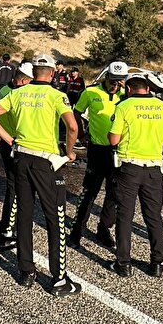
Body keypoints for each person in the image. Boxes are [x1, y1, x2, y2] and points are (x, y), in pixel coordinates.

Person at [0, 54, 81, 296]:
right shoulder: (57, 96)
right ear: (52, 74)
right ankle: (59, 279)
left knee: (24, 215)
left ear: (34, 72)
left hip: (21, 158)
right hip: (45, 162)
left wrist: (10, 140)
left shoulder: (17, 93)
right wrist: (69, 152)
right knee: (54, 217)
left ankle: (26, 271)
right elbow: (73, 126)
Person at [106, 72, 163, 278]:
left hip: (129, 166)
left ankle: (124, 263)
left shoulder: (124, 107)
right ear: (148, 88)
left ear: (129, 89)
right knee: (153, 215)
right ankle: (157, 262)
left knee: (125, 215)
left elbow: (113, 139)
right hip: (154, 167)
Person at [68, 61, 128, 248]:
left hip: (118, 151)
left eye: (119, 81)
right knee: (89, 192)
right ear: (106, 76)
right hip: (97, 149)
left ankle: (104, 229)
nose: (115, 85)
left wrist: (126, 90)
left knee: (113, 192)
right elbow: (76, 113)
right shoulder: (91, 92)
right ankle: (77, 230)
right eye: (112, 80)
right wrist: (82, 134)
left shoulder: (127, 95)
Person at [0, 62, 34, 245]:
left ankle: (10, 226)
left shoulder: (8, 92)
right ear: (24, 80)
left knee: (17, 186)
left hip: (11, 142)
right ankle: (7, 229)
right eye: (31, 82)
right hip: (14, 143)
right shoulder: (11, 94)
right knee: (16, 186)